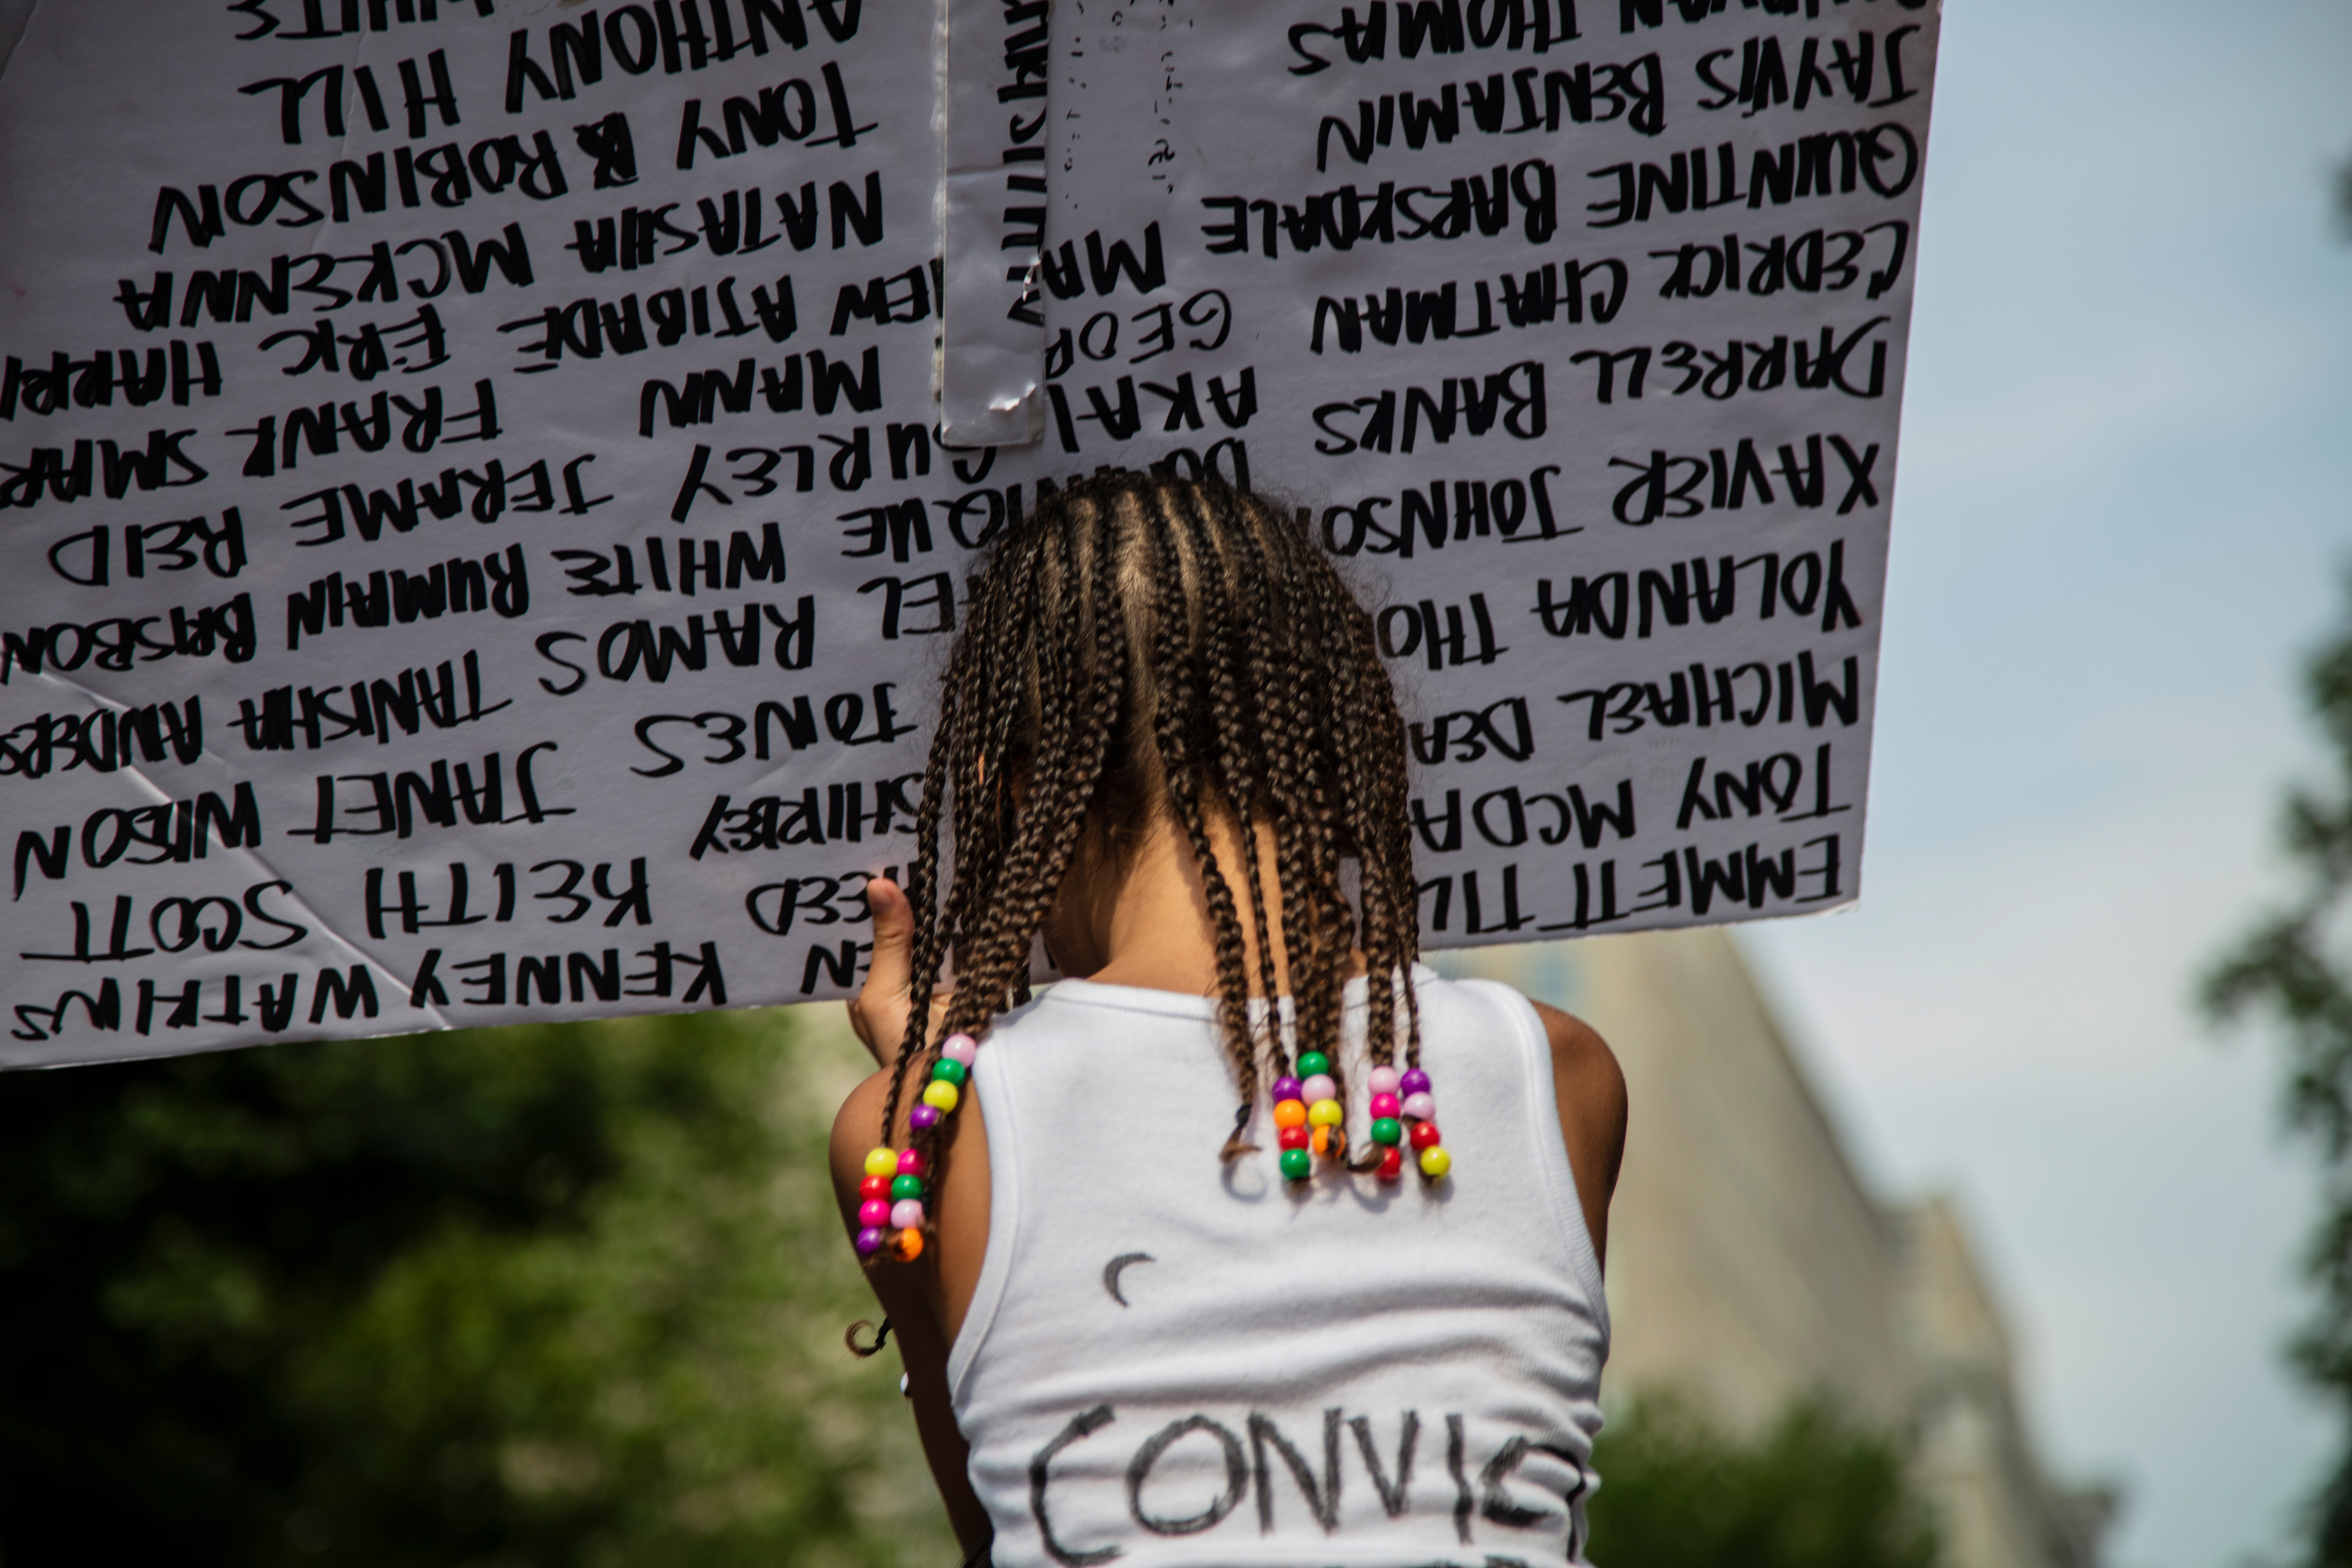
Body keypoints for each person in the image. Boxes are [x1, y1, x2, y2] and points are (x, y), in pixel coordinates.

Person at [829, 471, 1627, 1567]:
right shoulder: (1559, 1072)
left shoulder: (920, 1131)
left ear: (1012, 795)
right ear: (1347, 759)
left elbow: (995, 1532)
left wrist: (922, 1103)